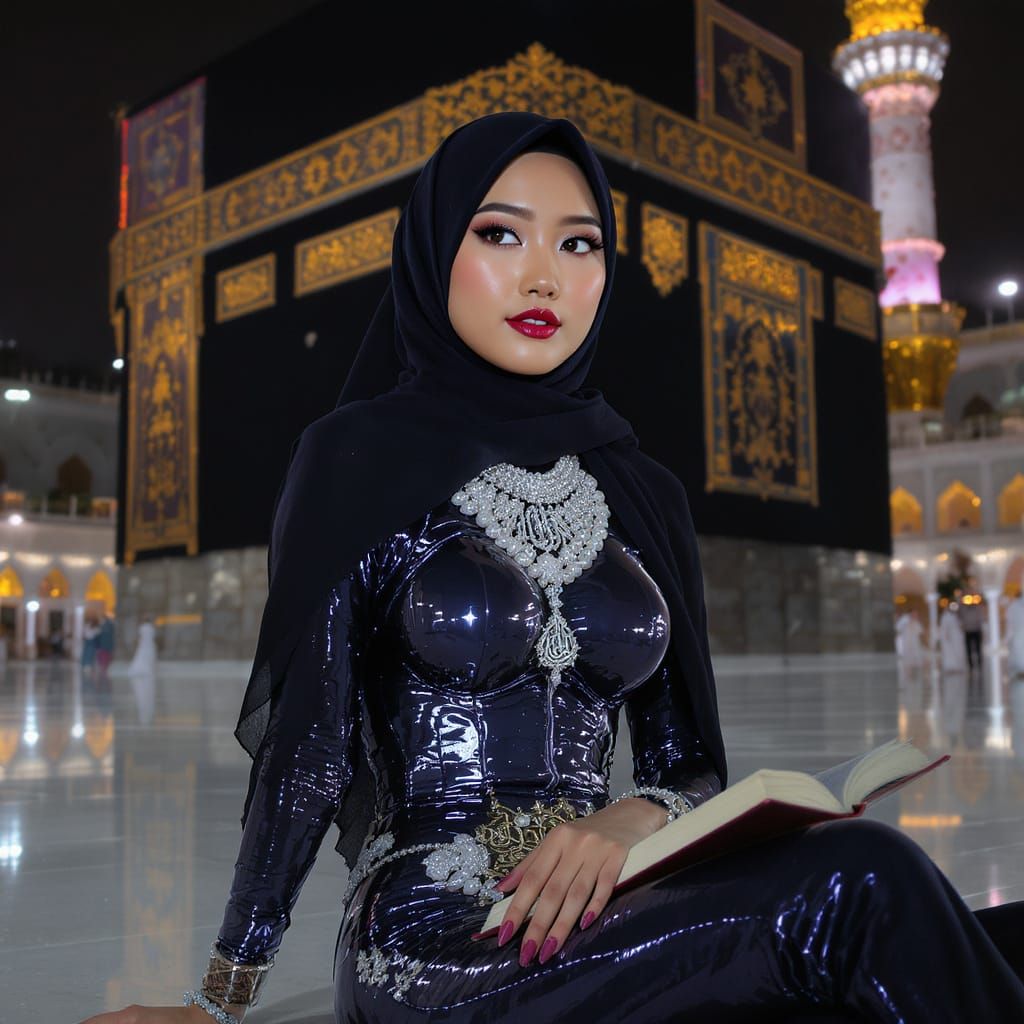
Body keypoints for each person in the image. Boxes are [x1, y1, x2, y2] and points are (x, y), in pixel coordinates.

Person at [80, 113, 1024, 1024]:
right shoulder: (357, 459)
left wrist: (635, 816)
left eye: (580, 245)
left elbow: (687, 766)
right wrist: (218, 1000)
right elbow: (308, 757)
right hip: (437, 934)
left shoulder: (640, 489)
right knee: (861, 883)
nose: (545, 276)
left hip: (611, 896)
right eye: (500, 234)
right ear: (433, 253)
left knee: (929, 935)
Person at [938, 600, 968, 673]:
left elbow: (961, 625)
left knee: (958, 650)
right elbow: (944, 627)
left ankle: (958, 666)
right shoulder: (946, 616)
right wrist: (946, 635)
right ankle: (950, 667)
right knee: (950, 652)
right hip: (950, 636)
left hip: (957, 636)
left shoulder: (956, 616)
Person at [958, 596, 985, 673]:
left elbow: (980, 619)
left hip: (976, 631)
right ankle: (970, 665)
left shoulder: (977, 609)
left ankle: (979, 663)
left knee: (978, 648)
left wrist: (981, 629)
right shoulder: (964, 610)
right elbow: (961, 618)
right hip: (968, 631)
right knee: (968, 649)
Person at [1007, 589, 1024, 677]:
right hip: (1018, 634)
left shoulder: (1012, 606)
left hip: (1018, 635)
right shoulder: (1013, 606)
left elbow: (1010, 624)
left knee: (1018, 651)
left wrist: (1007, 638)